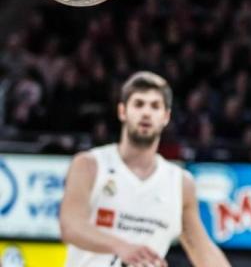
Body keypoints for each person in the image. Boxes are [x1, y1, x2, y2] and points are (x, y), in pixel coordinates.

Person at [60, 72, 231, 267]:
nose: (146, 112)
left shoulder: (180, 183)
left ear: (166, 116)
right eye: (139, 104)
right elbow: (70, 226)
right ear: (122, 111)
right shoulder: (90, 165)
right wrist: (121, 247)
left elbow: (202, 250)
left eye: (155, 106)